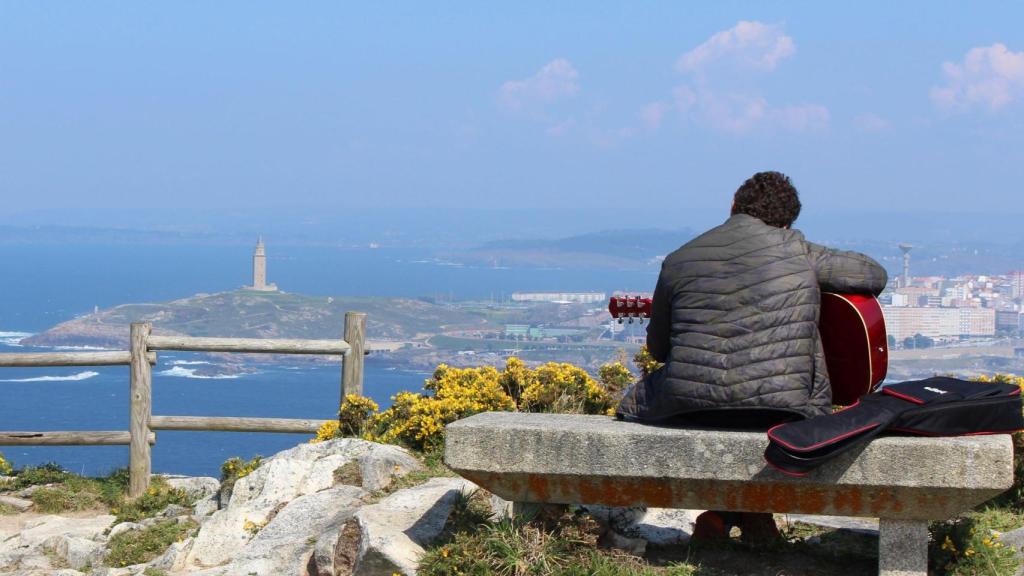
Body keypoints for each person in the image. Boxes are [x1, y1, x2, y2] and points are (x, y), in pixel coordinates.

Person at [616, 171, 888, 541]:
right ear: (788, 222)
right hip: (784, 409)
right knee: (774, 414)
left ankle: (737, 515)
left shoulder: (679, 259)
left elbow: (658, 350)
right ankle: (747, 516)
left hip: (686, 407)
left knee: (632, 402)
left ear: (732, 205)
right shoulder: (799, 251)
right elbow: (873, 273)